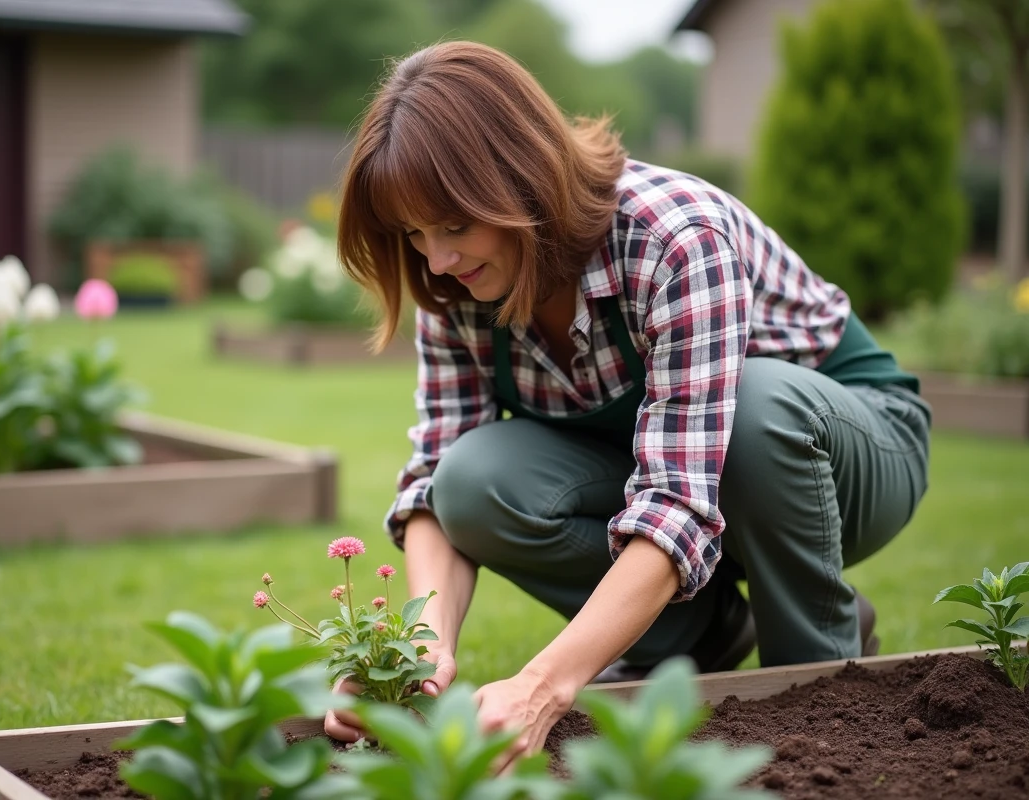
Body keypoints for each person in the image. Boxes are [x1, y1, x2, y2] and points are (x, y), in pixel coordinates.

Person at [325, 40, 932, 765]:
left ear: (522, 178)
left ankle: (822, 677)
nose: (437, 260)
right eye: (414, 234)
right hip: (677, 477)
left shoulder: (673, 236)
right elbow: (431, 485)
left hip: (849, 456)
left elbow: (678, 499)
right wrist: (418, 652)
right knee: (469, 479)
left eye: (454, 226)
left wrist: (544, 685)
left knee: (757, 404)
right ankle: (695, 635)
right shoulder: (453, 284)